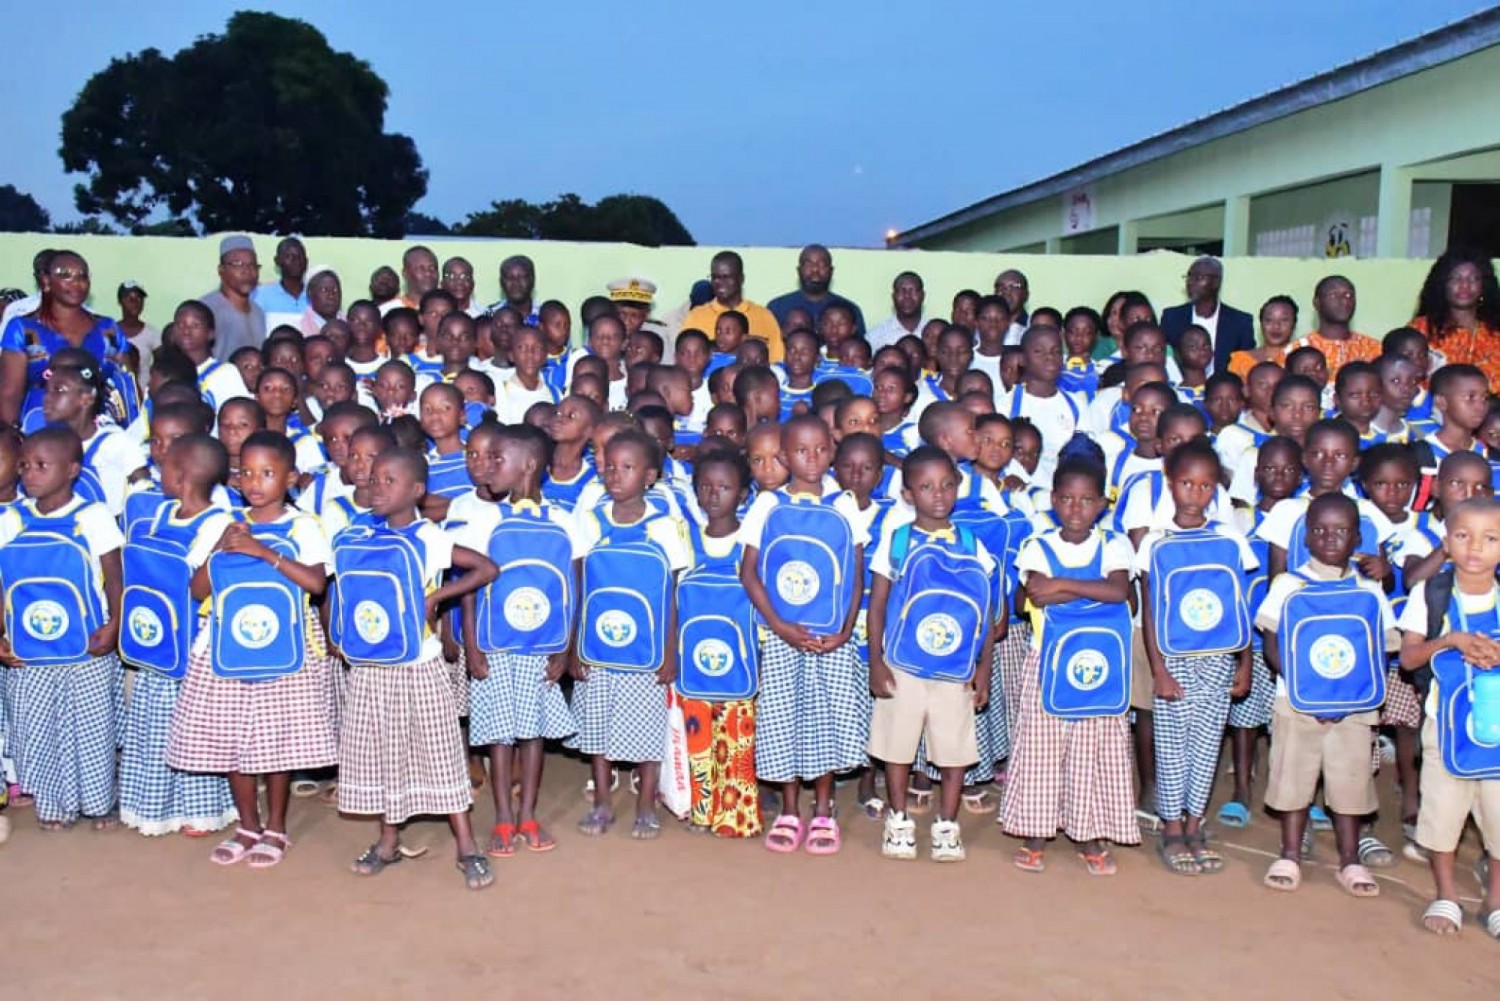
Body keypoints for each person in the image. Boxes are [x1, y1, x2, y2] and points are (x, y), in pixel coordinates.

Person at [165, 431, 339, 867]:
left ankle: (276, 827)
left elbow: (317, 584)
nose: (256, 482)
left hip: (286, 649)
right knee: (233, 741)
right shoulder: (222, 522)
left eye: (268, 473)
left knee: (275, 743)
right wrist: (221, 546)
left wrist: (262, 551)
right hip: (227, 649)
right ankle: (247, 825)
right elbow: (197, 589)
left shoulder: (302, 526)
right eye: (247, 472)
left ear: (290, 478)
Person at [330, 448, 498, 889]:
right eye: (373, 478)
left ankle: (467, 845)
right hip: (370, 668)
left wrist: (435, 599)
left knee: (440, 749)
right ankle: (387, 841)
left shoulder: (429, 537)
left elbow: (485, 568)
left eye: (389, 480)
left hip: (419, 665)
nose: (376, 486)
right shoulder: (359, 535)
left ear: (417, 491)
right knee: (384, 751)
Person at [1257, 493, 1399, 898]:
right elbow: (1272, 645)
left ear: (1357, 538)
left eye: (1340, 531)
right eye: (1319, 530)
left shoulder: (1368, 588)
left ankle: (1349, 859)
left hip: (1352, 706)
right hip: (1298, 702)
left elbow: (1383, 645)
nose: (1329, 538)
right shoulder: (1289, 584)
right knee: (1293, 780)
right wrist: (1314, 694)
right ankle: (1289, 853)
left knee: (1350, 783)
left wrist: (1341, 697)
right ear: (1306, 537)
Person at [1002, 457, 1138, 874]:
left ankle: (1089, 831)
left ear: (1102, 504)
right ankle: (1035, 829)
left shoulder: (1115, 544)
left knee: (1093, 749)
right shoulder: (1037, 545)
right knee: (1041, 749)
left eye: (1086, 500)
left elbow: (1119, 591)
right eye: (1066, 499)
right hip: (1048, 662)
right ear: (1052, 501)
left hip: (1102, 667)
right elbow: (1032, 599)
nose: (1076, 508)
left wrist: (1060, 583)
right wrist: (1086, 590)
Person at [740, 415, 867, 855]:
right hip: (782, 636)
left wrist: (847, 628)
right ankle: (791, 808)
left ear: (832, 451)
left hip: (831, 637)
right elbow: (749, 571)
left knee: (826, 719)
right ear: (783, 456)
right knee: (782, 719)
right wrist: (777, 624)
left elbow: (856, 575)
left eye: (819, 450)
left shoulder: (845, 505)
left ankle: (825, 808)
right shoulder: (767, 506)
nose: (810, 459)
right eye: (799, 451)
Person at [866, 447, 997, 862]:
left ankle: (946, 822)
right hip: (902, 664)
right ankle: (899, 817)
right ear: (907, 494)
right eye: (925, 486)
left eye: (946, 484)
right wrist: (875, 659)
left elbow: (988, 612)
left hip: (955, 668)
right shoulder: (898, 540)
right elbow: (878, 604)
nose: (938, 495)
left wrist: (984, 668)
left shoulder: (973, 544)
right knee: (897, 746)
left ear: (959, 487)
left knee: (954, 749)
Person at [458, 422, 580, 855]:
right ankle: (503, 819)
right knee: (498, 734)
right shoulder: (484, 518)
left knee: (533, 734)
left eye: (498, 459)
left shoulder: (565, 519)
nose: (488, 467)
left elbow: (573, 587)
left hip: (542, 648)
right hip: (494, 645)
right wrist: (472, 645)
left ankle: (528, 812)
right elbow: (470, 588)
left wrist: (565, 649)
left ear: (528, 465)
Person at [0, 426, 124, 831]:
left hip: (86, 645)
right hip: (29, 650)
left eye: (41, 465)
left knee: (91, 727)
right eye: (25, 466)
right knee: (36, 728)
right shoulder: (11, 519)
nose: (30, 474)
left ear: (72, 469)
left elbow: (115, 575)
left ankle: (99, 802)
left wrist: (115, 624)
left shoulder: (92, 516)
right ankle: (53, 805)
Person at [571, 430, 691, 840]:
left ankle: (645, 804)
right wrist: (574, 647)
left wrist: (670, 652)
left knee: (646, 732)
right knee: (597, 728)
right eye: (609, 467)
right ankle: (603, 801)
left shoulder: (664, 528)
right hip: (598, 648)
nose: (615, 475)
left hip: (647, 651)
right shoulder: (591, 521)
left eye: (628, 467)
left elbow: (674, 594)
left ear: (650, 476)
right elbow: (579, 587)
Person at [117, 434, 237, 837]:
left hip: (191, 640)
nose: (158, 472)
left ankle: (200, 809)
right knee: (154, 725)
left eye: (165, 466)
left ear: (181, 475)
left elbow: (197, 580)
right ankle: (155, 804)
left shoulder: (218, 521)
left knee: (194, 728)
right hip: (154, 639)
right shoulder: (161, 512)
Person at [1396, 497, 1500, 935]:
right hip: (1445, 726)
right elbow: (1409, 658)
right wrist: (1452, 641)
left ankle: (1495, 900)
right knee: (1442, 813)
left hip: (1496, 730)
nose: (1475, 547)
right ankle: (1445, 895)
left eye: (1490, 538)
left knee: (1498, 816)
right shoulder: (1431, 593)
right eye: (1463, 536)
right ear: (1447, 542)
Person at [677, 447, 764, 838]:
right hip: (692, 665)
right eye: (706, 487)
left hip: (740, 664)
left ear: (744, 494)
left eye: (725, 487)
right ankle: (701, 808)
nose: (714, 495)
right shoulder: (686, 539)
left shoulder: (750, 544)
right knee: (698, 743)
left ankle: (736, 814)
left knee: (738, 742)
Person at [0, 249, 132, 428]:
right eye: (65, 275)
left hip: (100, 432)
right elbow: (10, 393)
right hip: (39, 430)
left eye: (82, 276)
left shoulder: (108, 329)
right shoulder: (23, 329)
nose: (76, 282)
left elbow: (126, 385)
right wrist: (11, 436)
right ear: (46, 282)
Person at [1409, 247, 1500, 387]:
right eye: (1455, 279)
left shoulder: (1495, 332)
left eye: (1473, 279)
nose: (1464, 285)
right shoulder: (1421, 330)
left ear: (1484, 286)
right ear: (1442, 285)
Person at [681, 252, 784, 363]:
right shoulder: (696, 317)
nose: (719, 283)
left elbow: (776, 362)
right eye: (715, 277)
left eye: (726, 277)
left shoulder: (764, 316)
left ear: (741, 278)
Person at [1161, 257, 1256, 375]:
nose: (1190, 282)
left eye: (1198, 278)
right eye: (1189, 277)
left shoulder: (1240, 322)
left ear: (1216, 282)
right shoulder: (1172, 317)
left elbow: (1245, 368)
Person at [1285, 276, 1381, 380]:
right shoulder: (1295, 350)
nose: (1343, 301)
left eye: (1348, 295)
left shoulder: (1374, 349)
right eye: (1333, 295)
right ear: (1316, 303)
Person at [767, 245, 866, 338]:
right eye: (808, 264)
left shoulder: (849, 309)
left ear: (831, 271)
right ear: (799, 270)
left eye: (822, 265)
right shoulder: (777, 307)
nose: (815, 270)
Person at [200, 236, 268, 362]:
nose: (247, 271)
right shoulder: (206, 309)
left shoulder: (258, 312)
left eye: (252, 265)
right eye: (238, 265)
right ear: (221, 270)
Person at [1228, 296, 1298, 380]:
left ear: (1294, 325)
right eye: (1269, 320)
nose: (1276, 326)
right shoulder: (1240, 361)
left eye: (1284, 320)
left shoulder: (1302, 360)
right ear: (1261, 324)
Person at [252, 237, 310, 331]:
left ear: (306, 261)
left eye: (299, 256)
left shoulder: (315, 296)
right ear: (277, 261)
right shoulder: (259, 295)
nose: (295, 260)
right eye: (289, 256)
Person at [867, 272, 928, 353]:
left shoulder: (935, 333)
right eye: (902, 291)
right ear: (893, 296)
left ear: (923, 296)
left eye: (912, 291)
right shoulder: (875, 336)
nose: (907, 296)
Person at [116, 281, 160, 379]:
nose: (135, 302)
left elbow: (162, 367)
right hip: (115, 392)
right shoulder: (110, 332)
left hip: (143, 392)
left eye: (139, 298)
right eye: (129, 298)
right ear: (120, 301)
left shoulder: (152, 334)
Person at [488, 255, 540, 324]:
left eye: (522, 277)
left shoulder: (545, 315)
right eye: (509, 278)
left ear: (532, 280)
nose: (516, 283)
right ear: (501, 282)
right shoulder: (490, 315)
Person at [297, 267, 342, 337]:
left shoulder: (349, 324)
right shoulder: (299, 329)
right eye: (324, 290)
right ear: (310, 294)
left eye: (335, 290)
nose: (331, 295)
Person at [994, 270, 1030, 344]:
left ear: (1026, 294)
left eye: (1014, 287)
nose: (1006, 292)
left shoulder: (1032, 328)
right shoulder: (984, 327)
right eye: (1001, 287)